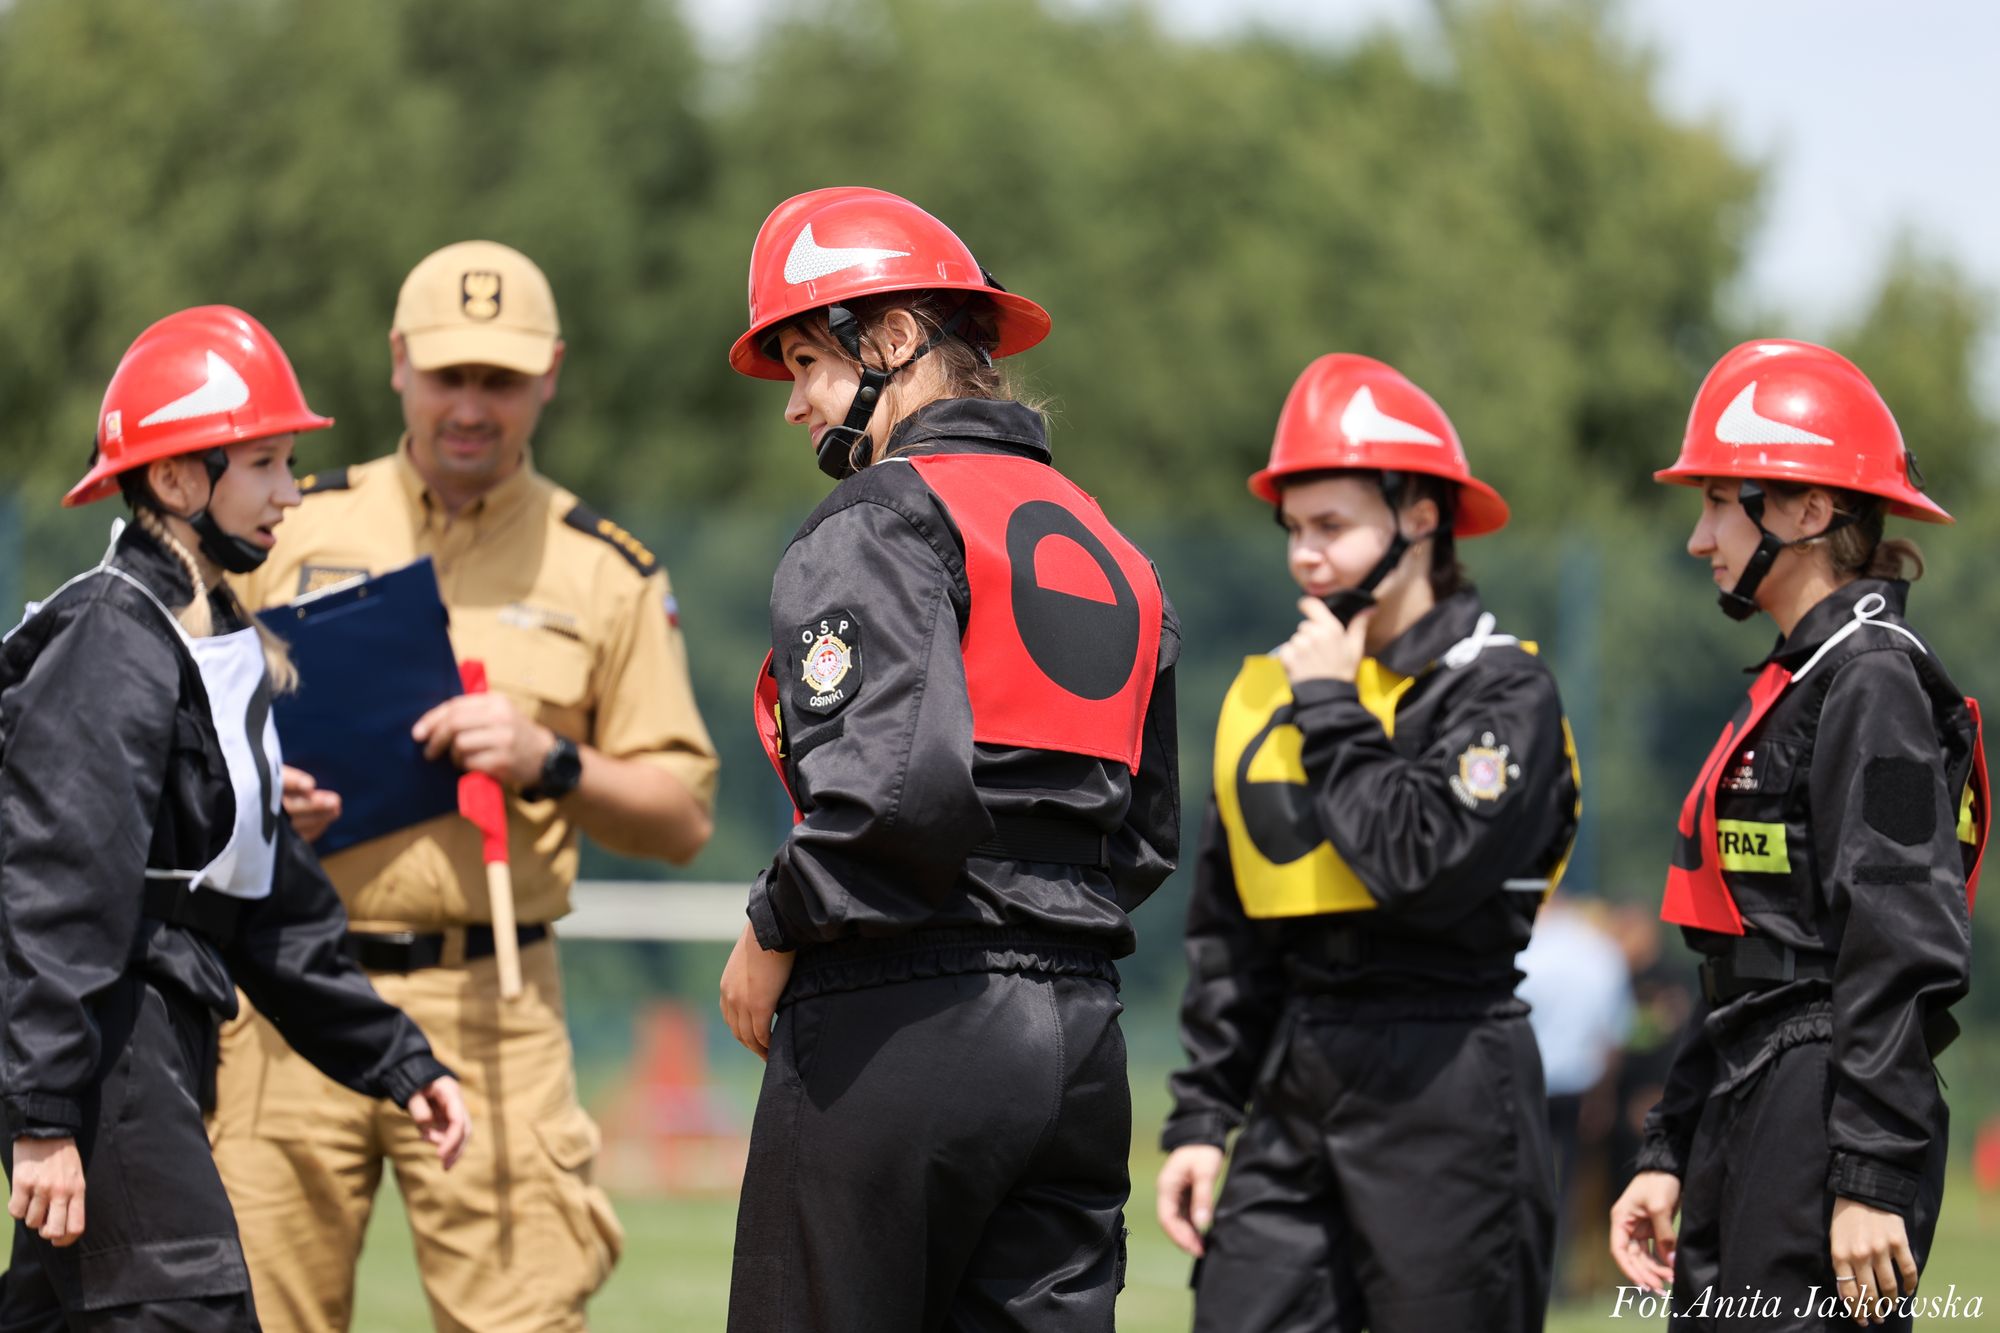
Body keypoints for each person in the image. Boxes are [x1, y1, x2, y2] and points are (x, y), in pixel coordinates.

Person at [207, 242, 719, 1333]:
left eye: (500, 379)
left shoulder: (604, 569)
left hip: (491, 1004)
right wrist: (252, 792)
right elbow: (168, 737)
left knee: (522, 1320)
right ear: (398, 364)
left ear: (549, 375)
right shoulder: (284, 525)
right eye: (450, 375)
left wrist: (550, 759)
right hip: (290, 983)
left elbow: (682, 816)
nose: (472, 406)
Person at [716, 186, 1181, 1332]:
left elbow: (889, 793)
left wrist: (772, 926)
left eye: (804, 363)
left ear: (887, 339)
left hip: (902, 1016)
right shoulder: (1116, 547)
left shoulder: (878, 518)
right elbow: (1147, 834)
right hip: (1080, 1036)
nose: (794, 406)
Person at [0, 305, 469, 1330]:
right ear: (176, 478)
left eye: (288, 463)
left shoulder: (213, 639)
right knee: (190, 1308)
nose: (290, 493)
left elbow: (266, 906)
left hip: (153, 1036)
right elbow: (58, 885)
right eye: (263, 463)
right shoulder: (111, 635)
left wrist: (395, 1058)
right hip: (109, 1045)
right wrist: (40, 1116)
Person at [1156, 353, 1581, 1333]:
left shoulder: (1502, 691)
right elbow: (1228, 933)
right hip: (1298, 1067)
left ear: (1420, 516)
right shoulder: (1263, 687)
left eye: (1332, 527)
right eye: (1293, 529)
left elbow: (1416, 862)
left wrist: (1331, 709)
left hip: (1449, 1067)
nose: (1305, 556)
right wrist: (1201, 1118)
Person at [1610, 340, 1983, 1330]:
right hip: (1754, 1084)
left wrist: (1867, 1171)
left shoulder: (1869, 680)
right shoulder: (1797, 683)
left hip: (1821, 1096)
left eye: (1716, 502)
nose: (1697, 538)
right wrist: (1667, 1148)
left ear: (1808, 511)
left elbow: (1898, 938)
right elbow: (1746, 956)